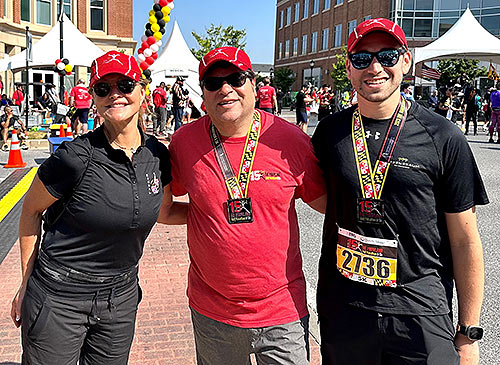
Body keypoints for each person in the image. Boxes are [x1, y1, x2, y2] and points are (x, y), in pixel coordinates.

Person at [312, 18, 489, 365]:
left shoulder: (443, 136)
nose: (375, 67)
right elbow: (316, 197)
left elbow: (465, 240)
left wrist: (469, 333)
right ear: (348, 68)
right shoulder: (329, 134)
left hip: (419, 310)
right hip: (346, 309)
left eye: (388, 56)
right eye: (362, 59)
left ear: (407, 61)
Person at [10, 50, 175, 364]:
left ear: (143, 91)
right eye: (103, 89)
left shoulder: (157, 155)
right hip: (59, 298)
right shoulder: (73, 158)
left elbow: (165, 211)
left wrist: (217, 215)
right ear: (94, 98)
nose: (115, 95)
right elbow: (31, 212)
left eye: (125, 85)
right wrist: (25, 283)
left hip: (121, 298)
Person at [168, 46, 326, 364]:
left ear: (254, 84)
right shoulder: (184, 142)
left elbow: (328, 205)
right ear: (202, 93)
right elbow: (165, 208)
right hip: (213, 312)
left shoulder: (290, 140)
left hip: (282, 310)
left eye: (235, 79)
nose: (225, 89)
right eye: (213, 83)